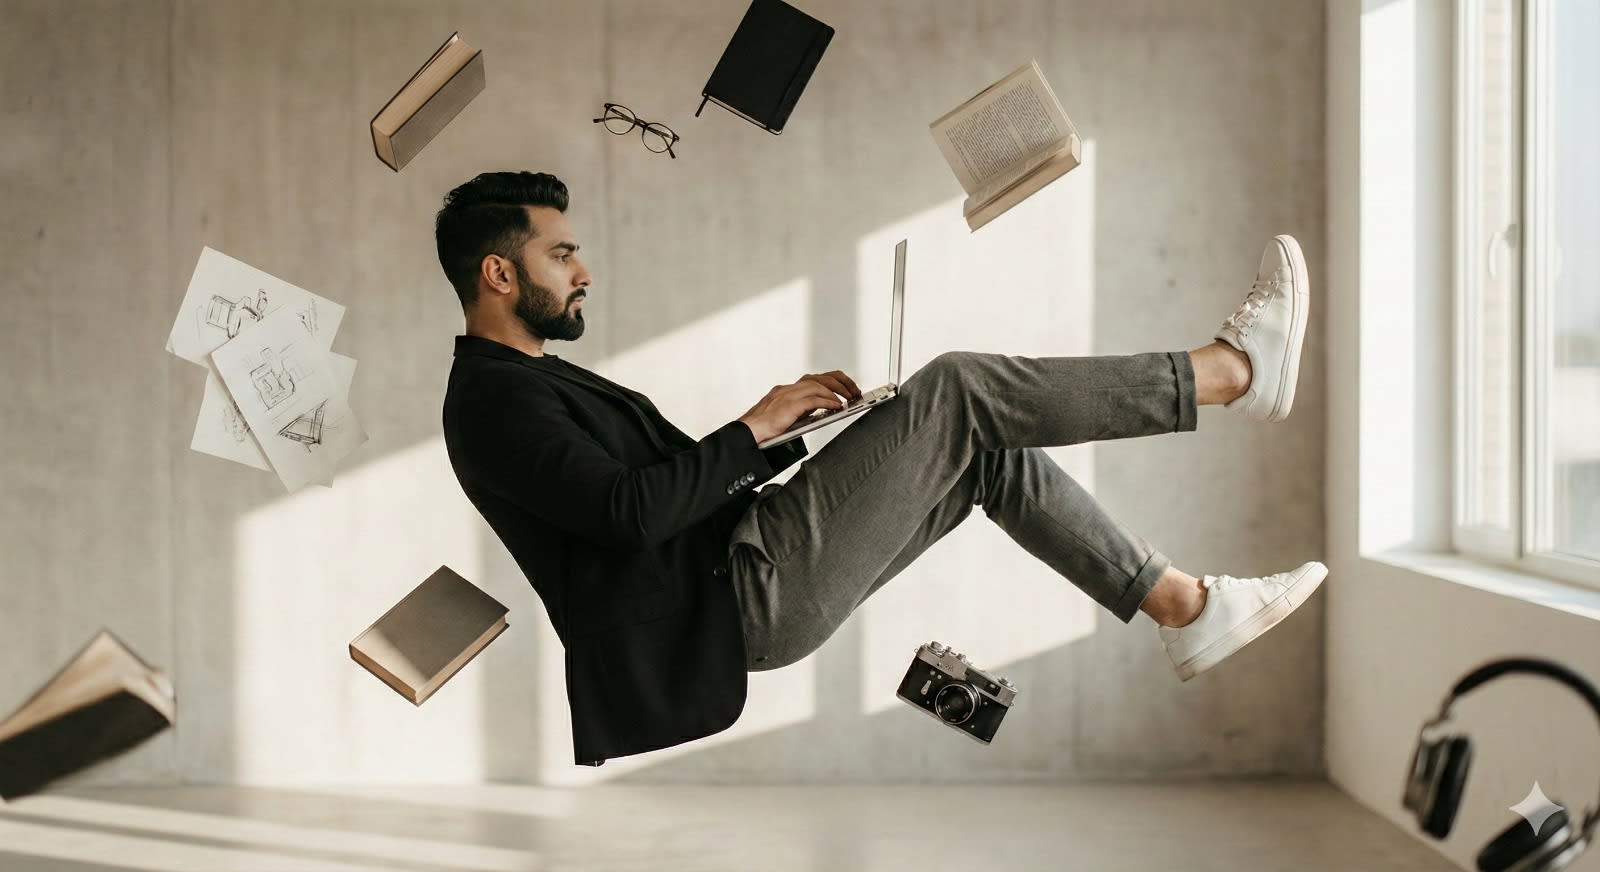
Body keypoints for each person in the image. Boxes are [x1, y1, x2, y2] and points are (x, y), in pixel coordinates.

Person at [437, 171, 1328, 767]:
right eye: (560, 254)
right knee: (964, 388)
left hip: (743, 563)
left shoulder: (524, 383)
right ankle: (1226, 372)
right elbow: (629, 517)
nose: (583, 269)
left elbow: (657, 493)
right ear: (498, 274)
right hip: (739, 593)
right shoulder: (492, 400)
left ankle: (1187, 608)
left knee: (986, 453)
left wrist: (790, 429)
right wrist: (755, 424)